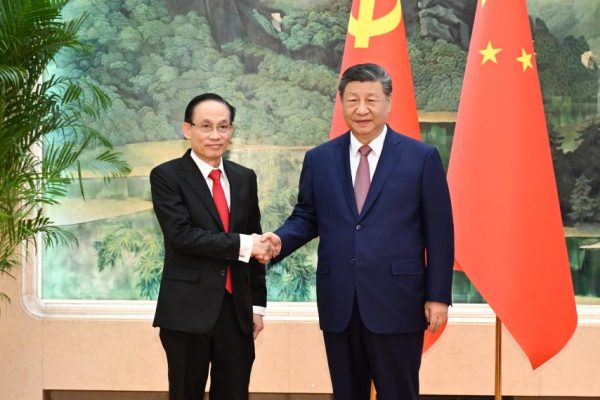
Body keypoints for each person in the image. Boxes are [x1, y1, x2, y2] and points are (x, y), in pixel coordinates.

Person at [263, 63, 454, 400]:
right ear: (342, 103)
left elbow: (439, 233)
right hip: (340, 300)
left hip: (398, 301)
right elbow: (307, 216)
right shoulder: (320, 159)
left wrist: (437, 296)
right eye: (352, 100)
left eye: (371, 100)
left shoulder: (421, 157)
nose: (361, 109)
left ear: (388, 103)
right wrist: (280, 239)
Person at [150, 93, 272, 400]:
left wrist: (257, 307)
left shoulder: (244, 177)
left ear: (232, 131)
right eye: (205, 126)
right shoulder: (166, 176)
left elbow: (255, 244)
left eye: (223, 126)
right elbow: (181, 236)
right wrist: (245, 244)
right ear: (187, 129)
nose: (215, 135)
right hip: (187, 312)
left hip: (237, 312)